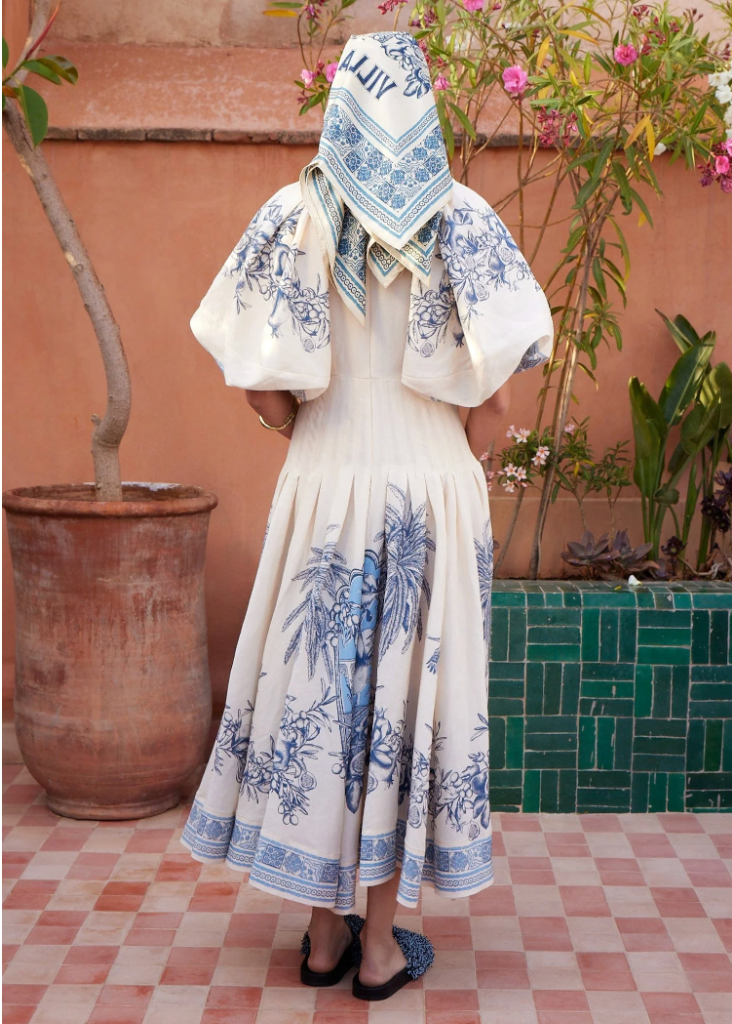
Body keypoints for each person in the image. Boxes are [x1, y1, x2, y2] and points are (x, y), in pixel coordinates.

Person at [181, 31, 553, 1001]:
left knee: (318, 703)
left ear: (342, 107)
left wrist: (313, 435)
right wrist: (451, 458)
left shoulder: (292, 215)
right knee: (406, 713)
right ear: (422, 109)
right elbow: (494, 403)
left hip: (324, 481)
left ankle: (320, 937)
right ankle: (380, 946)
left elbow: (262, 388)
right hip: (434, 486)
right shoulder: (463, 220)